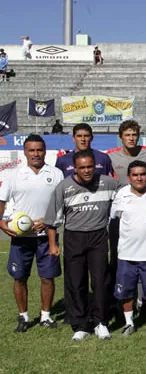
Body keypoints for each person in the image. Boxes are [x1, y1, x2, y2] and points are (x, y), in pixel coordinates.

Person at [45, 150, 120, 340]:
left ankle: (100, 322)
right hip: (74, 238)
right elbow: (52, 220)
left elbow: (129, 193)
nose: (87, 171)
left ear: (95, 166)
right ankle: (81, 324)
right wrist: (53, 244)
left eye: (90, 167)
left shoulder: (109, 183)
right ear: (75, 169)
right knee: (76, 282)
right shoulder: (64, 187)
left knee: (100, 281)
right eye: (82, 168)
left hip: (98, 237)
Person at [0, 135, 64, 332]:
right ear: (25, 152)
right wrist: (1, 223)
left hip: (47, 235)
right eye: (32, 150)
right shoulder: (14, 175)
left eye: (39, 150)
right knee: (19, 277)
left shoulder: (56, 174)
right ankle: (24, 316)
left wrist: (47, 222)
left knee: (47, 277)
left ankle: (45, 316)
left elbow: (61, 203)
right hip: (21, 238)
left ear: (45, 151)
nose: (36, 154)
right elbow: (2, 201)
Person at [110, 161, 146, 337]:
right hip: (126, 254)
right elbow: (114, 219)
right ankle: (129, 323)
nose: (139, 178)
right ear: (129, 177)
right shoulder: (122, 195)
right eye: (135, 175)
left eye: (142, 174)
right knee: (126, 292)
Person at [107, 120, 146, 187]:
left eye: (134, 135)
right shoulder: (111, 155)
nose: (131, 138)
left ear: (138, 137)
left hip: (144, 195)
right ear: (121, 137)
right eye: (127, 135)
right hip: (120, 195)